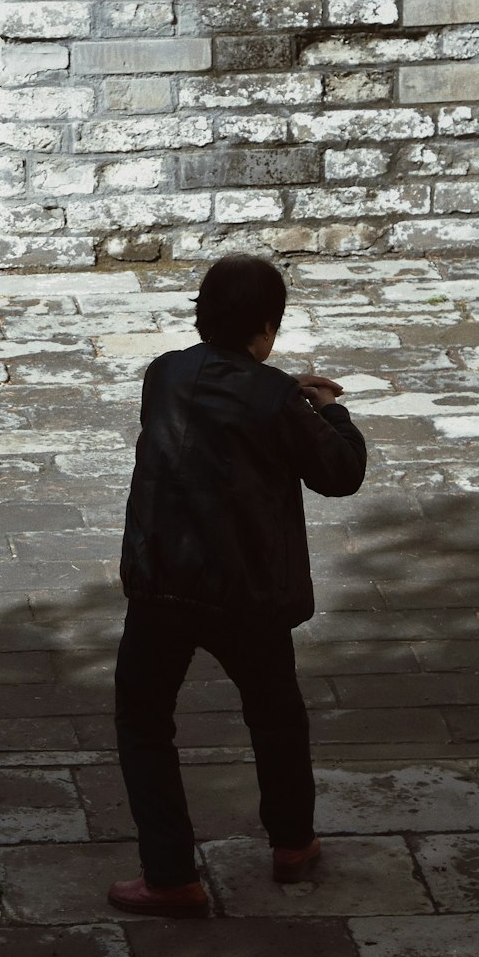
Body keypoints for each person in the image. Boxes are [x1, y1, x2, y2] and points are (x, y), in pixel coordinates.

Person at [109, 253, 367, 917]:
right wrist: (327, 410)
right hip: (244, 593)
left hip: (162, 582)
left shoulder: (164, 374)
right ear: (267, 327)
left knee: (144, 722)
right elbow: (339, 473)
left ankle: (170, 874)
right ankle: (292, 845)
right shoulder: (278, 396)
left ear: (202, 317)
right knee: (276, 716)